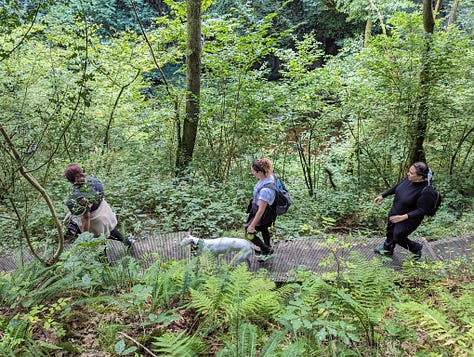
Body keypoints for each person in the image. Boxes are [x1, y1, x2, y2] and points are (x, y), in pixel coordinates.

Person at [373, 161, 436, 260]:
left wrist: (402, 217)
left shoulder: (426, 191)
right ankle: (387, 249)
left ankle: (416, 248)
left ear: (420, 177)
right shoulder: (409, 179)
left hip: (410, 218)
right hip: (396, 211)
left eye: (411, 173)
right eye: (409, 171)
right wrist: (383, 195)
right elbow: (397, 187)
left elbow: (422, 210)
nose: (408, 174)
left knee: (398, 235)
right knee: (390, 230)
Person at [64, 164, 134, 247]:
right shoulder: (94, 180)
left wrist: (85, 238)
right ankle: (128, 241)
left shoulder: (76, 196)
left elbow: (85, 217)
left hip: (95, 220)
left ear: (70, 180)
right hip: (105, 212)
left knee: (98, 241)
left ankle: (103, 259)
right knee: (110, 231)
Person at [246, 158, 277, 258]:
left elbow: (261, 210)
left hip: (263, 213)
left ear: (260, 172)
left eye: (254, 172)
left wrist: (252, 225)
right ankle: (266, 248)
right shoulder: (269, 176)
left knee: (248, 232)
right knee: (264, 229)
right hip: (268, 212)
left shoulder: (265, 190)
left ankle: (267, 249)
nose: (253, 174)